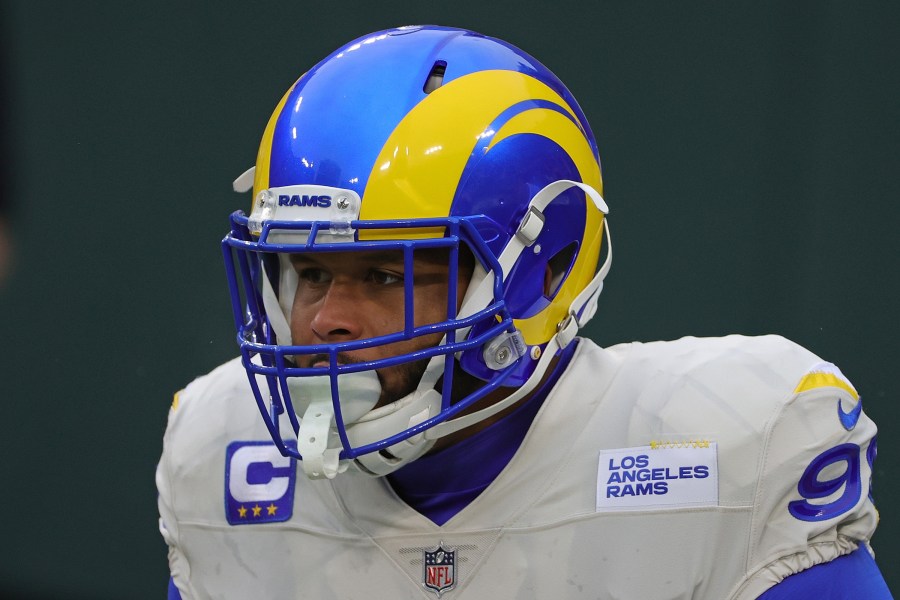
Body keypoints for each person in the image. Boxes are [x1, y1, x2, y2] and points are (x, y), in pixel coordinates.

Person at [156, 26, 891, 599]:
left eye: (384, 275)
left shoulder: (730, 444)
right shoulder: (221, 451)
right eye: (310, 272)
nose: (325, 320)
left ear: (543, 272)